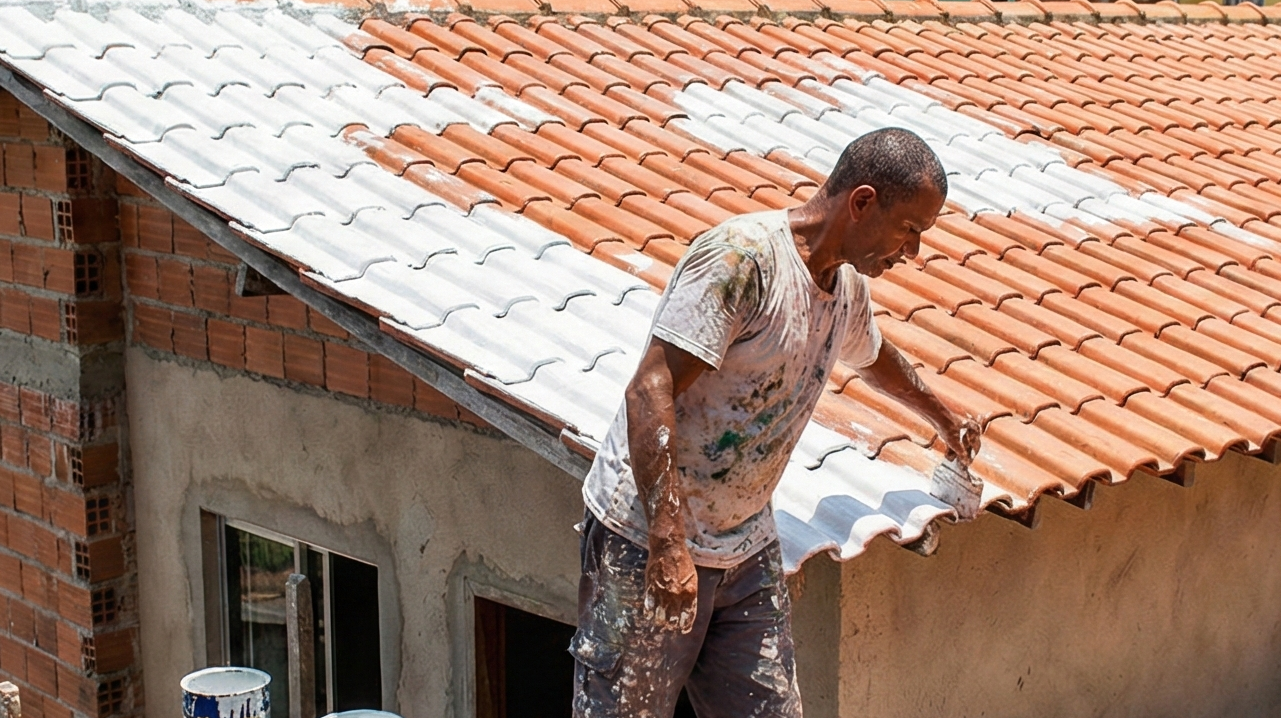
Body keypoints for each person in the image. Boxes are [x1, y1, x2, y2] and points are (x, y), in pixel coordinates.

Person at [571, 127, 981, 718]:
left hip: (743, 545)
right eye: (911, 230)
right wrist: (667, 538)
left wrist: (945, 419)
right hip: (646, 537)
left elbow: (872, 356)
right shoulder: (743, 261)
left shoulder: (846, 290)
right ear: (862, 202)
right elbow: (650, 387)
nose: (912, 251)